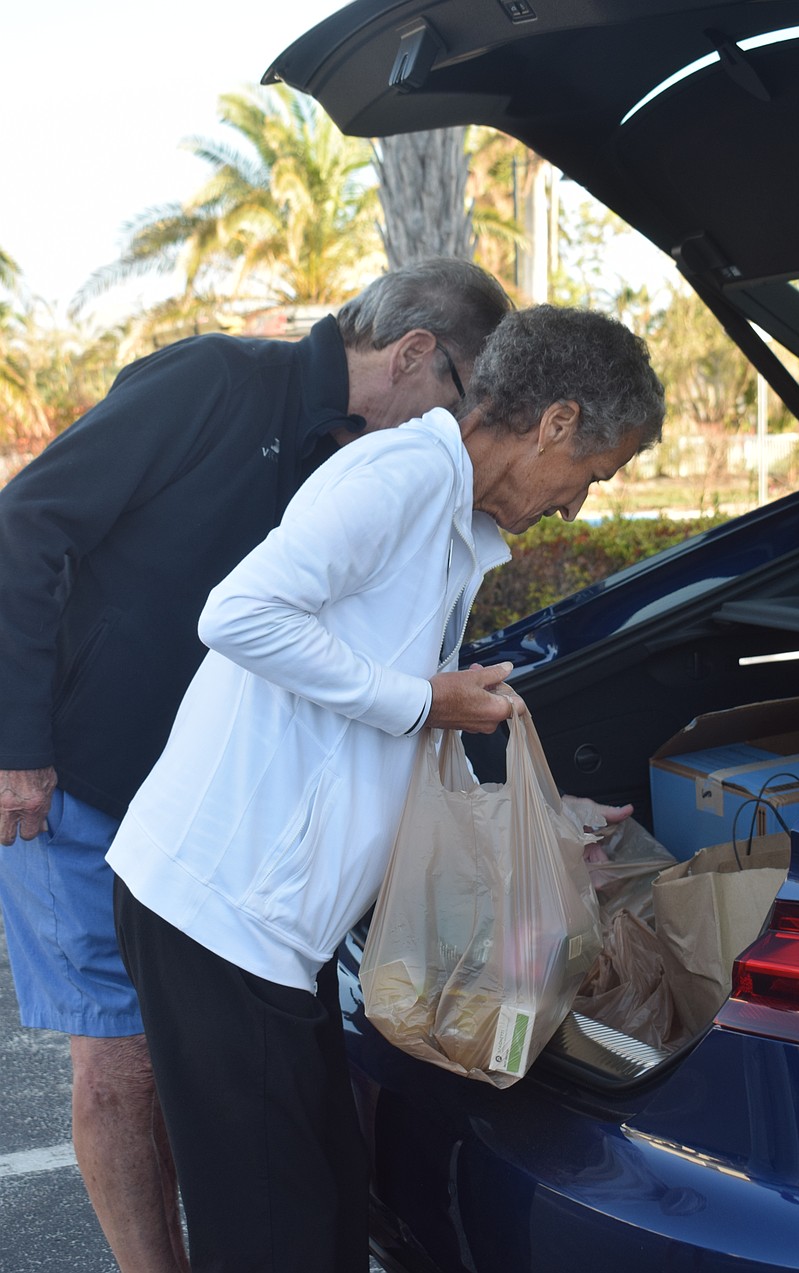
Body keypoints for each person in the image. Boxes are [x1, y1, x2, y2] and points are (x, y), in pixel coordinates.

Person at [107, 303, 666, 1271]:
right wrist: (419, 699)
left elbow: (381, 731)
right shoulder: (402, 476)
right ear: (558, 422)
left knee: (322, 1224)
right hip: (218, 914)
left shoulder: (450, 524)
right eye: (593, 473)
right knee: (273, 1243)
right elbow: (239, 614)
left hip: (280, 935)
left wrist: (532, 817)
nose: (578, 504)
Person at [0, 257, 513, 1272]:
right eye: (466, 391)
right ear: (415, 353)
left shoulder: (374, 464)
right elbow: (26, 522)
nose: (465, 425)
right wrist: (18, 747)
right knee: (123, 1070)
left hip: (221, 815)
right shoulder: (213, 383)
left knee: (204, 1081)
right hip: (80, 779)